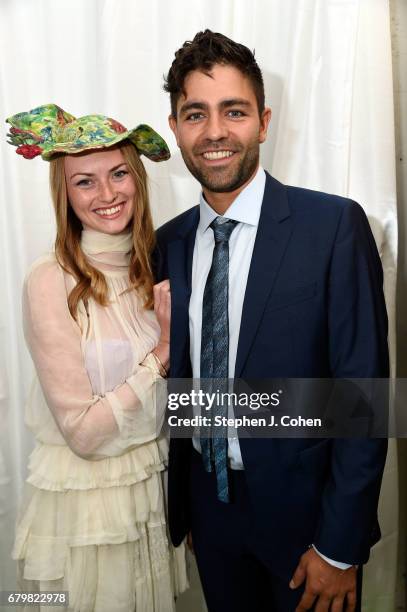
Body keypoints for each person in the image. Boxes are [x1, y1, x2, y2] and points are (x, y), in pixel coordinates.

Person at [154, 30, 389, 611]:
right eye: (195, 114)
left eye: (233, 111)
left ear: (262, 121)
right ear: (175, 126)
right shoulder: (167, 244)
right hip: (209, 516)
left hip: (308, 523)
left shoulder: (331, 226)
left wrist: (339, 547)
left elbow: (364, 393)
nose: (214, 132)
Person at [6, 104, 187, 612]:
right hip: (86, 513)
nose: (107, 195)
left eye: (118, 174)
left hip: (148, 496)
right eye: (85, 182)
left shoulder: (152, 266)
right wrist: (163, 353)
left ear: (138, 177)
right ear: (64, 194)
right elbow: (83, 433)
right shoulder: (51, 278)